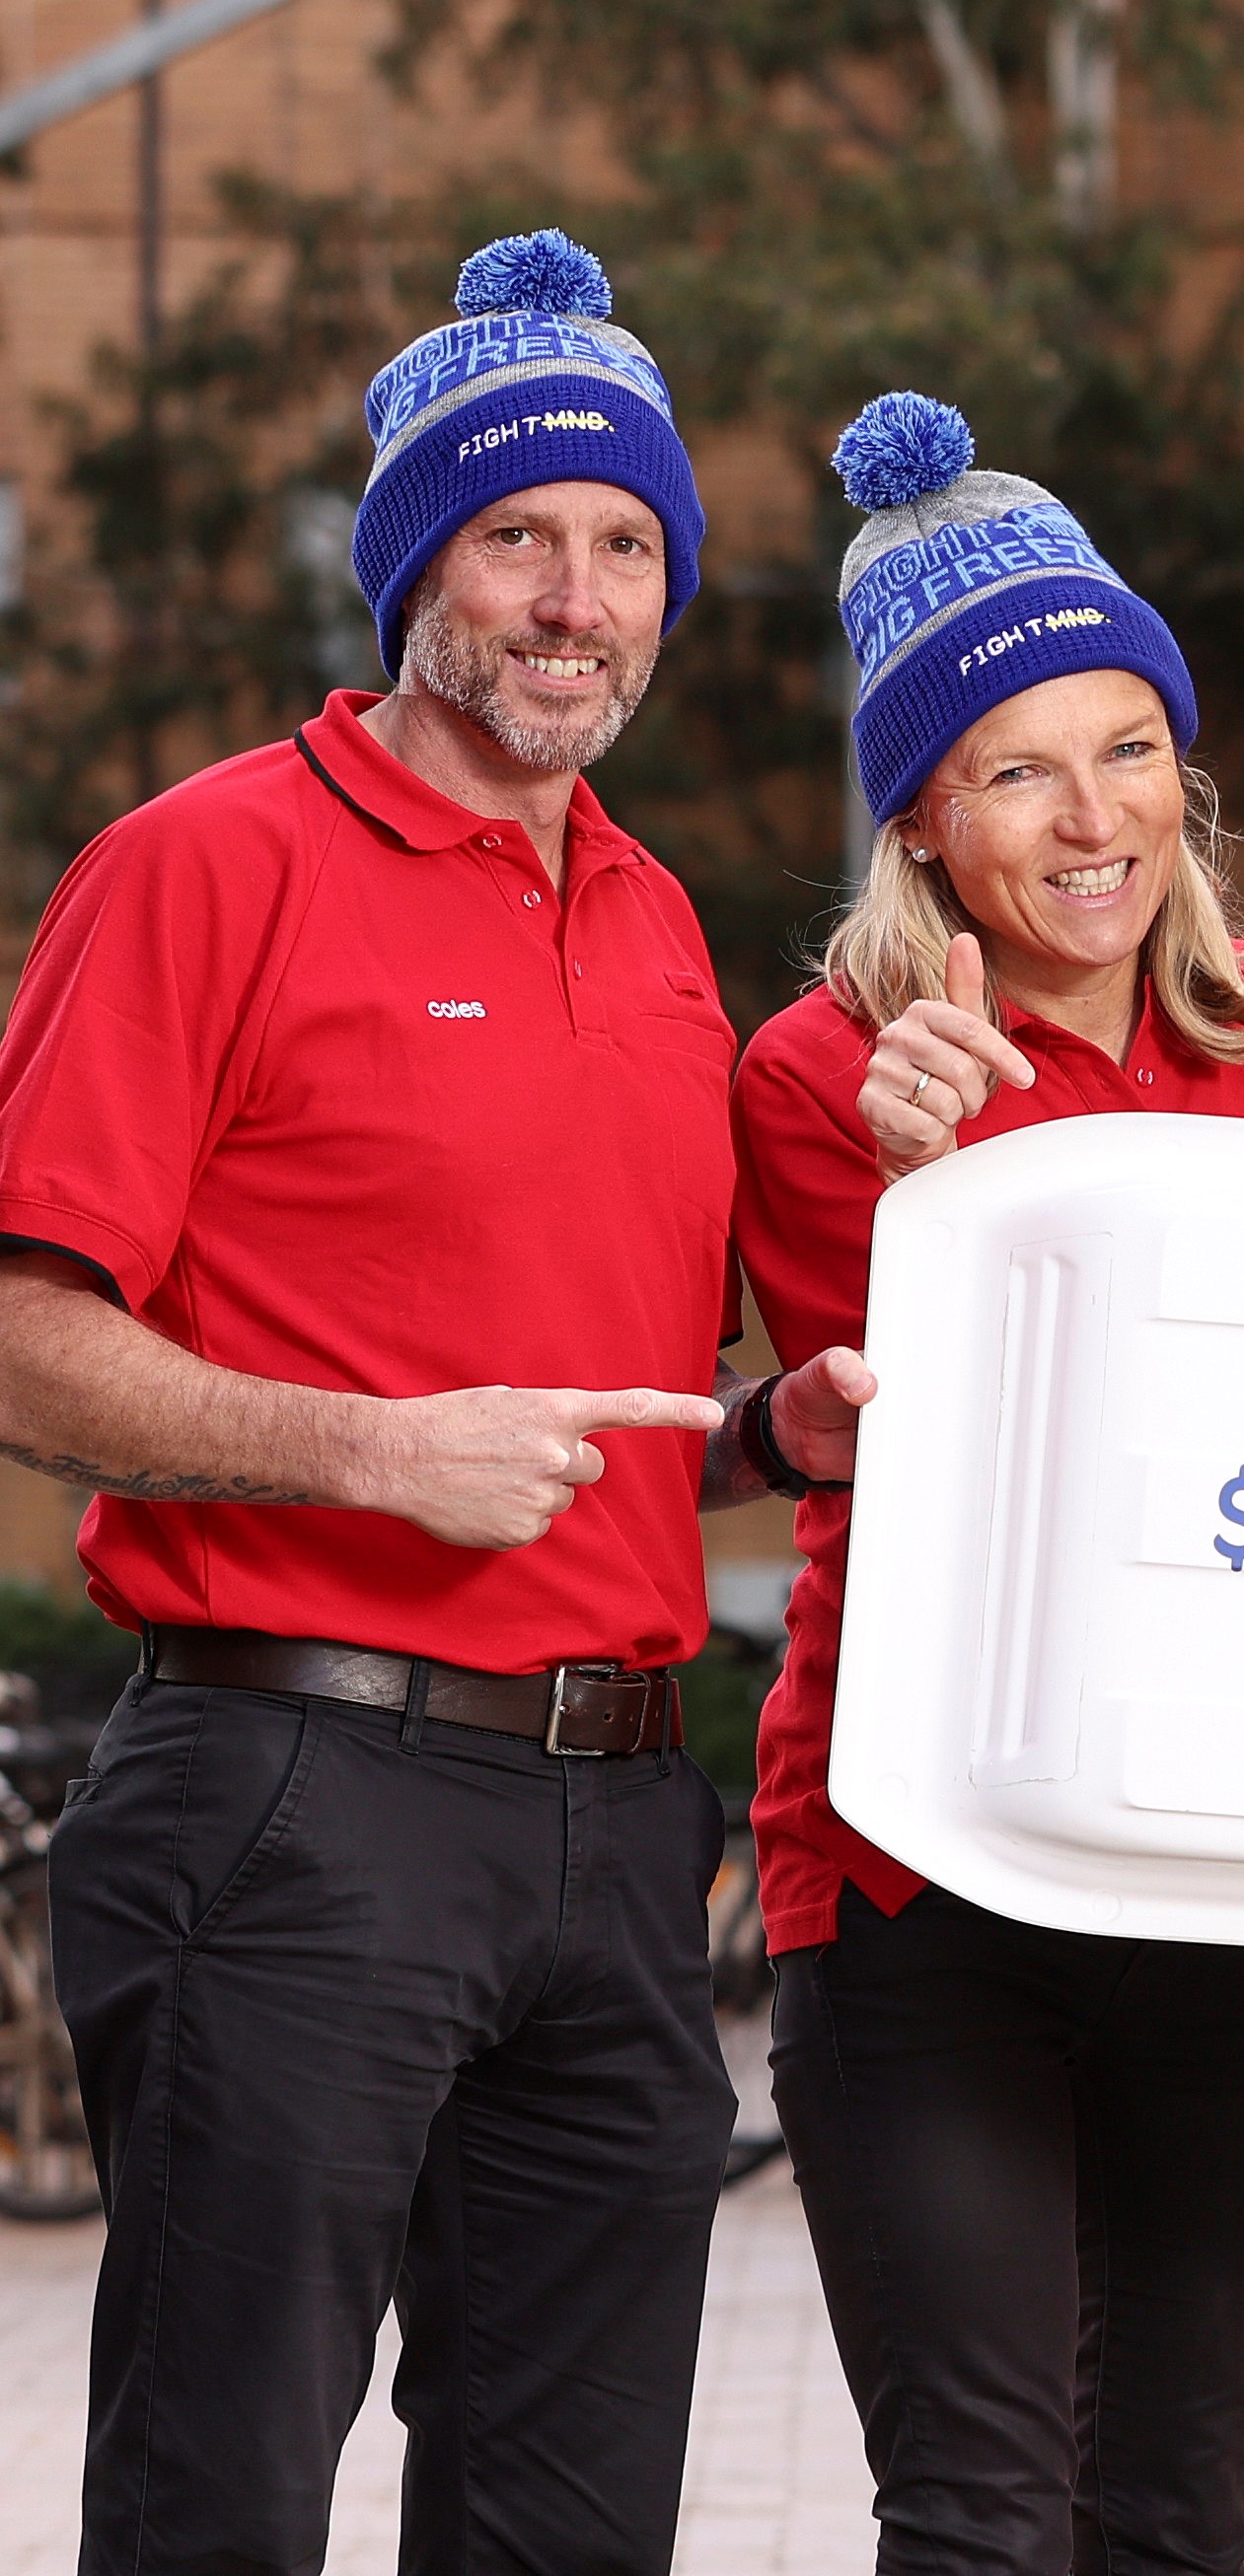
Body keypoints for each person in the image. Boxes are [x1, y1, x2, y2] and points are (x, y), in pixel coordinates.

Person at [0, 232, 870, 2575]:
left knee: (572, 2522)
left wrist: (786, 1433)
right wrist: (363, 1448)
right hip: (298, 1785)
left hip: (613, 1820)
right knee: (223, 2500)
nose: (576, 598)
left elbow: (621, 1379)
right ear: (415, 567)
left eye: (624, 546)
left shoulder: (666, 925)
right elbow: (19, 1330)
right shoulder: (208, 868)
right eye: (517, 537)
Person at [728, 391, 1244, 2575]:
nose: (1092, 817)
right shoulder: (834, 1075)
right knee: (984, 2518)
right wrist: (918, 1170)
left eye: (1125, 748)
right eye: (1014, 768)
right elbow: (890, 1417)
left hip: (1210, 1884)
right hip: (919, 1889)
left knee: (1171, 2513)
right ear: (918, 821)